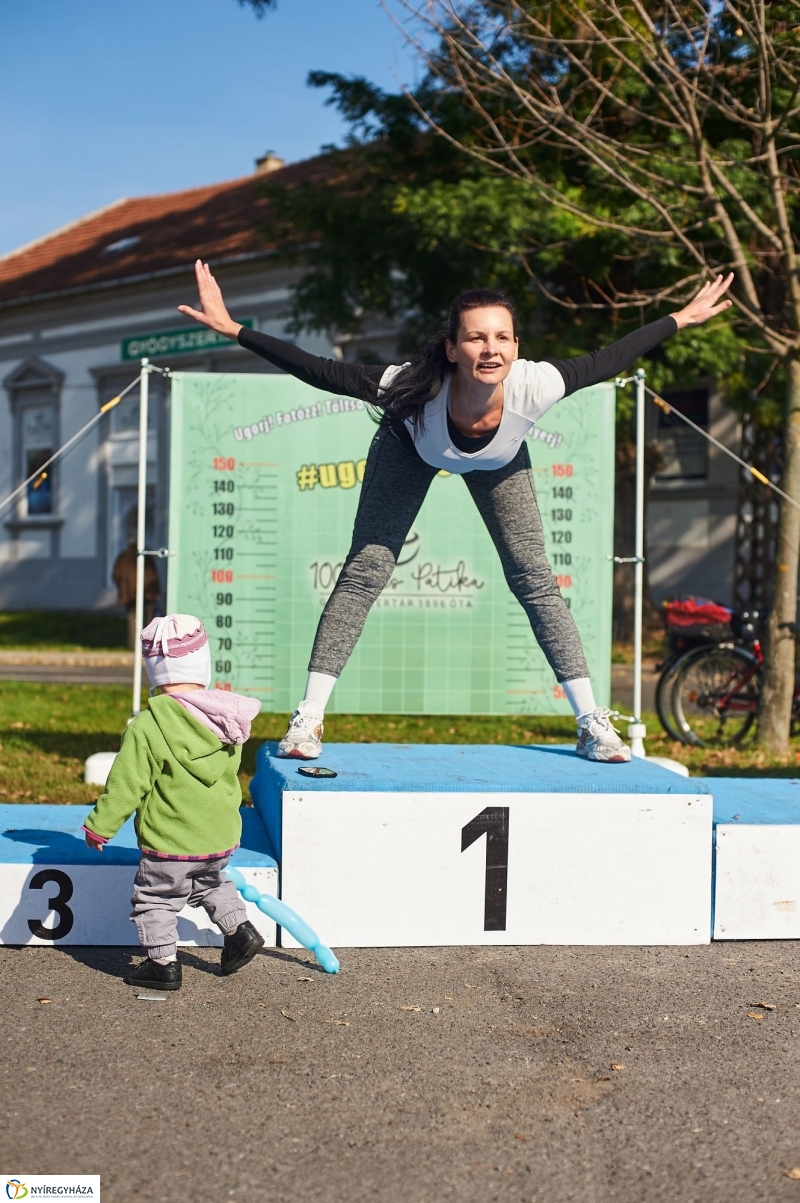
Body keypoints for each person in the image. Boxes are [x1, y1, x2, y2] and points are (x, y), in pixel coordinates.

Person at [179, 261, 733, 764]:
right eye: (475, 337)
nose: (490, 349)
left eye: (502, 337)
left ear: (515, 346)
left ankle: (591, 723)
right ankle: (308, 719)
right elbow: (318, 368)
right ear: (451, 349)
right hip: (410, 447)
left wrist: (679, 319)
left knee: (535, 579)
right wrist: (235, 330)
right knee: (366, 570)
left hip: (500, 459)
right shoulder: (411, 389)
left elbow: (612, 356)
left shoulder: (536, 384)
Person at [83, 613, 263, 990]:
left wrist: (100, 826)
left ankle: (162, 964)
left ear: (154, 672)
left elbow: (126, 785)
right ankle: (240, 930)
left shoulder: (148, 727)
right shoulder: (227, 721)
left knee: (156, 899)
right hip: (218, 837)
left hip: (171, 842)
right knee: (209, 882)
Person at [112, 537, 161, 649]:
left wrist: (123, 588)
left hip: (130, 594)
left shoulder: (124, 557)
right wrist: (155, 590)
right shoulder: (145, 556)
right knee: (147, 620)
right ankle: (146, 644)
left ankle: (134, 644)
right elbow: (154, 574)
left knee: (133, 620)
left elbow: (116, 575)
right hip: (146, 593)